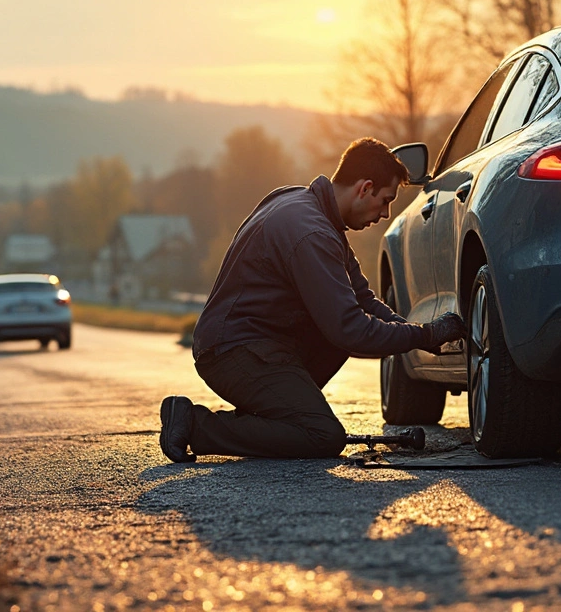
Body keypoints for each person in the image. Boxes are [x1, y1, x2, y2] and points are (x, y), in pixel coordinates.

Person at [159, 137, 467, 462]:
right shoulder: (313, 233)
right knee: (322, 435)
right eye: (385, 200)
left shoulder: (305, 206)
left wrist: (417, 334)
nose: (386, 213)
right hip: (233, 351)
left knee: (337, 326)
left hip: (259, 345)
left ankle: (279, 415)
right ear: (364, 188)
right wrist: (425, 335)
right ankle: (194, 424)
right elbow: (351, 329)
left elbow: (363, 301)